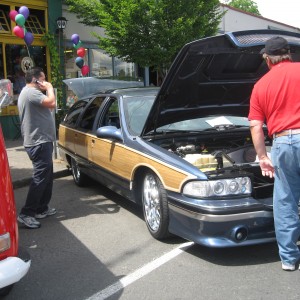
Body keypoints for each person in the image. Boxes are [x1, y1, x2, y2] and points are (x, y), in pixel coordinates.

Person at [248, 36, 300, 271]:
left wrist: (262, 157)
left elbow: (255, 126)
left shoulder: (261, 85)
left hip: (283, 143)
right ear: (288, 53)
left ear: (268, 59)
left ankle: (289, 259)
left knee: (286, 200)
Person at [17, 67, 57, 229]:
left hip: (41, 141)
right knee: (40, 178)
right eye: (43, 78)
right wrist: (50, 88)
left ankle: (41, 208)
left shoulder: (29, 93)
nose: (46, 81)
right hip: (38, 142)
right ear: (36, 80)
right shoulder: (32, 92)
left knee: (46, 177)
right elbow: (52, 103)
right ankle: (26, 214)